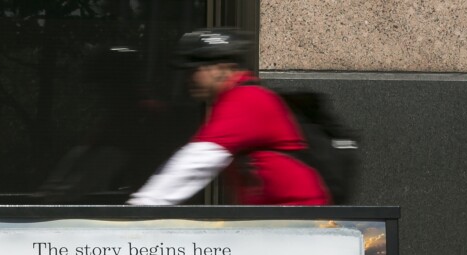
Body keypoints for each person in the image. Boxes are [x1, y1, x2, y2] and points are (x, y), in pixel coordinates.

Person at [127, 28, 331, 206]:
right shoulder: (236, 98)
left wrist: (142, 206)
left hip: (298, 223)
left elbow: (197, 160)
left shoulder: (247, 98)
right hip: (278, 220)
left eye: (194, 70)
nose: (188, 78)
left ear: (221, 67)